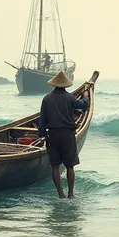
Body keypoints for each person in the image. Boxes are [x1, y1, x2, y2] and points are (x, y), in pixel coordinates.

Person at [38, 71, 91, 199]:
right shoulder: (69, 98)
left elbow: (42, 121)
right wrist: (86, 95)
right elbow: (84, 105)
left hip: (53, 135)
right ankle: (71, 194)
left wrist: (43, 135)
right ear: (66, 85)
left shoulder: (47, 98)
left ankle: (60, 194)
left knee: (55, 166)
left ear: (54, 85)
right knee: (69, 166)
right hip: (68, 135)